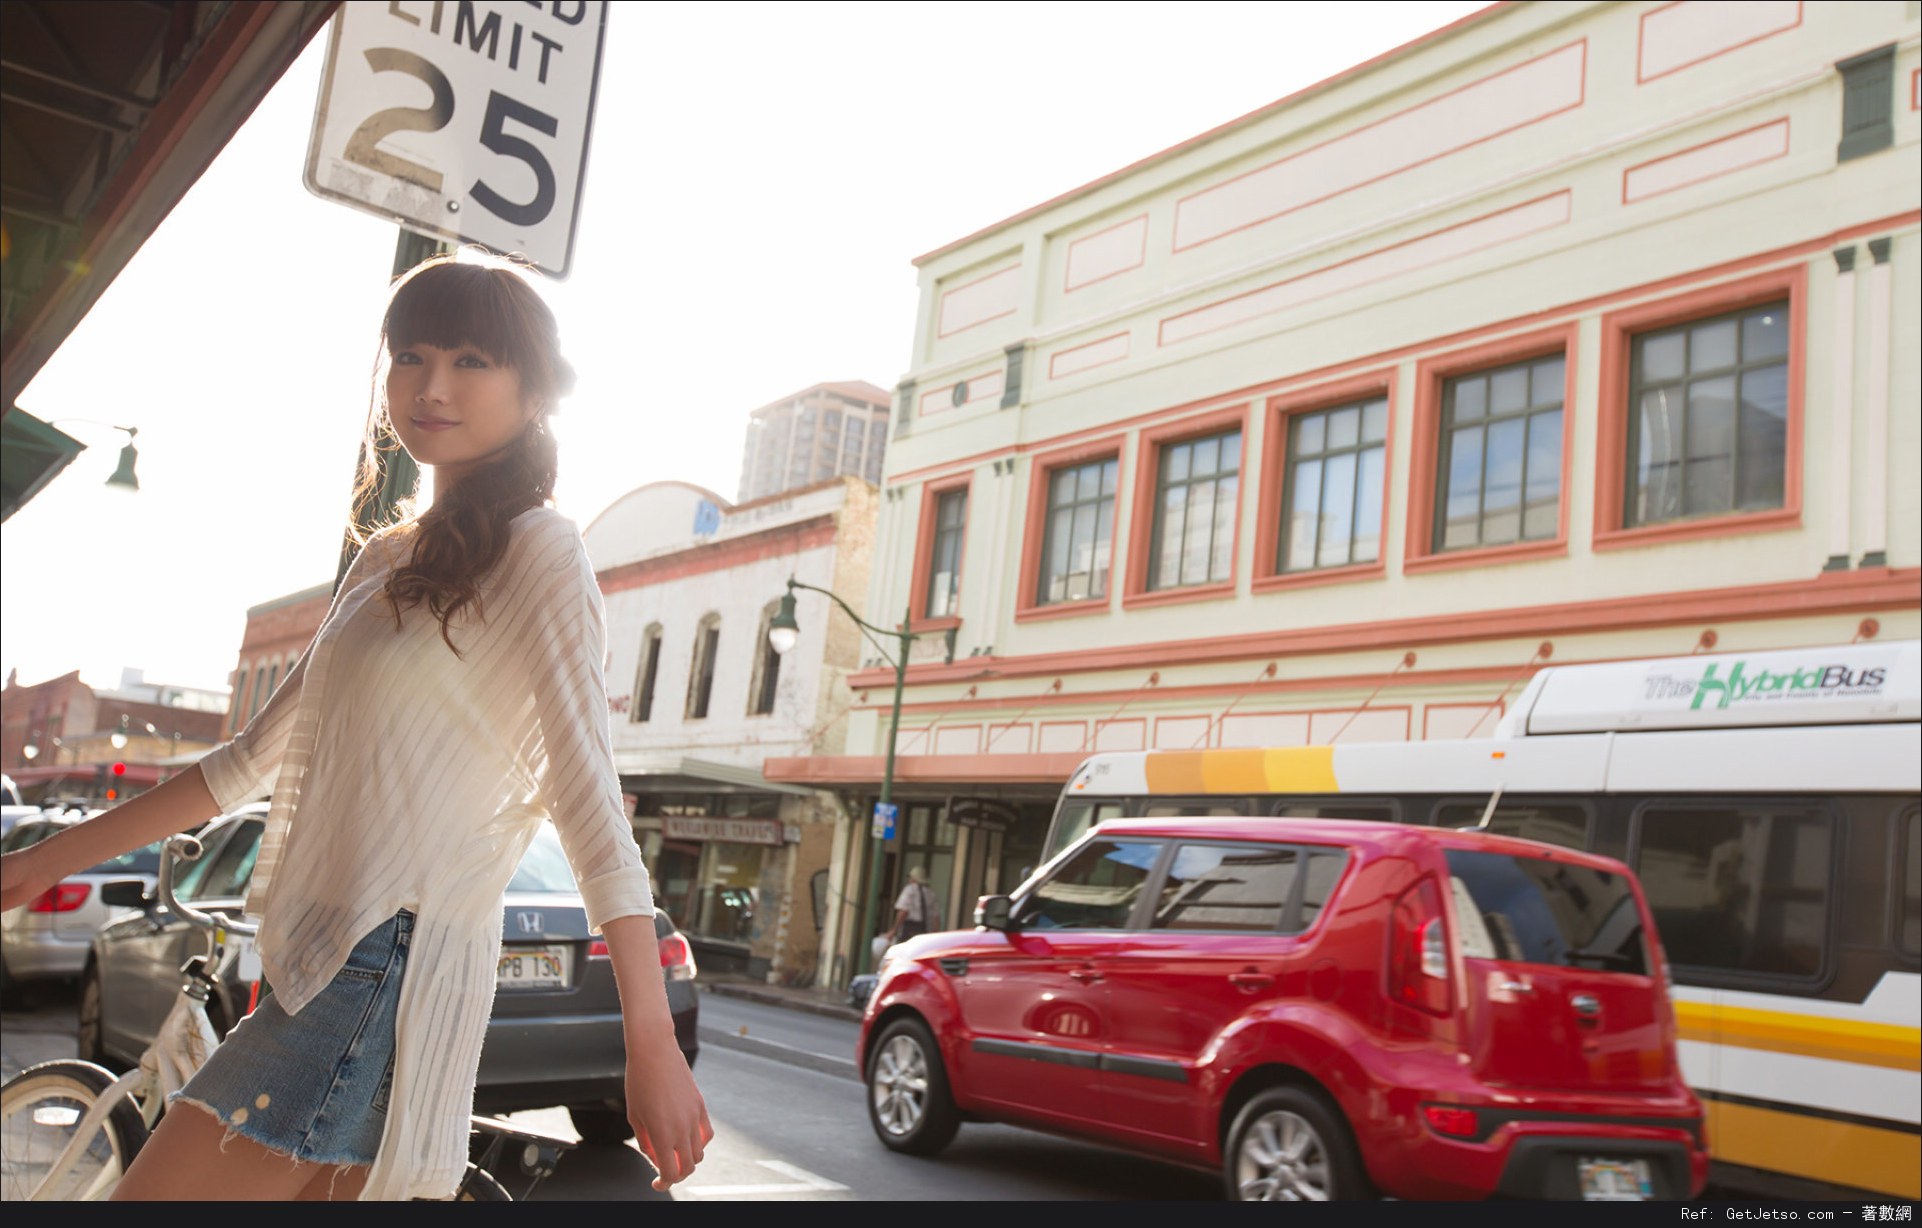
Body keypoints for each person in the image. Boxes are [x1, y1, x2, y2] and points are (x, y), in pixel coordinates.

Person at [0, 252, 710, 1201]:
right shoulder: (383, 559)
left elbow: (588, 803)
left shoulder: (544, 549)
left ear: (534, 388)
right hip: (325, 959)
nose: (431, 386)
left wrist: (651, 1041)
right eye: (410, 357)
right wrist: (50, 859)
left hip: (384, 964)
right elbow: (248, 762)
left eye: (469, 360)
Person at [889, 865, 941, 941]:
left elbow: (903, 912)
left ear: (913, 878)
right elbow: (936, 918)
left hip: (908, 931)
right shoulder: (931, 894)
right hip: (925, 933)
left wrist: (893, 930)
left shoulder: (909, 890)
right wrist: (935, 934)